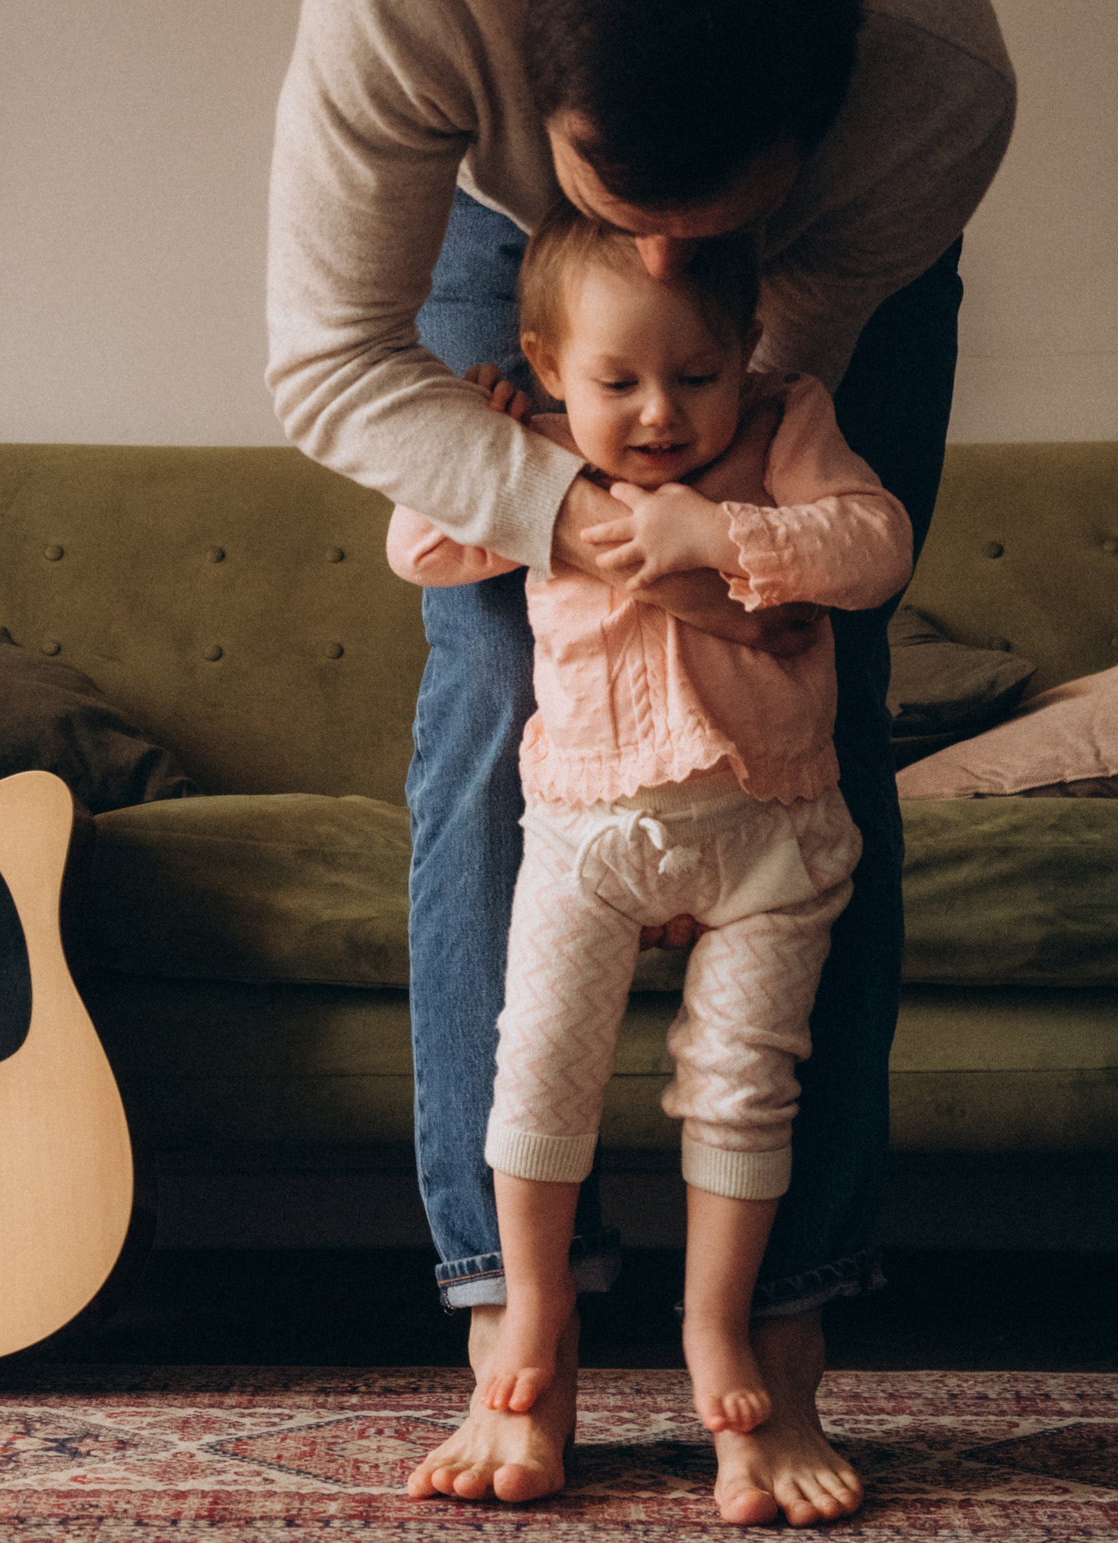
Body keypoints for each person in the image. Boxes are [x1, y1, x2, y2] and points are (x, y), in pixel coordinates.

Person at [266, 0, 1015, 1525]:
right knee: (491, 668)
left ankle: (775, 1336)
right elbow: (335, 365)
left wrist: (730, 554)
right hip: (503, 236)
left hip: (815, 301)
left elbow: (783, 464)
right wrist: (574, 512)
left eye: (710, 223)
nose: (667, 263)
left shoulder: (932, 88)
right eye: (633, 209)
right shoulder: (403, 23)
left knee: (818, 684)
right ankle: (513, 1331)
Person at [385, 208, 912, 1463]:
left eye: (696, 376)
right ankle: (536, 1314)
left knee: (741, 1088)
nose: (661, 416)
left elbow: (876, 545)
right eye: (617, 381)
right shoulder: (543, 445)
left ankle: (722, 1327)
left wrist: (722, 538)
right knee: (540, 1072)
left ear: (749, 355)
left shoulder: (783, 431)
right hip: (583, 833)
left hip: (767, 832)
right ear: (553, 362)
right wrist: (486, 442)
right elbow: (416, 546)